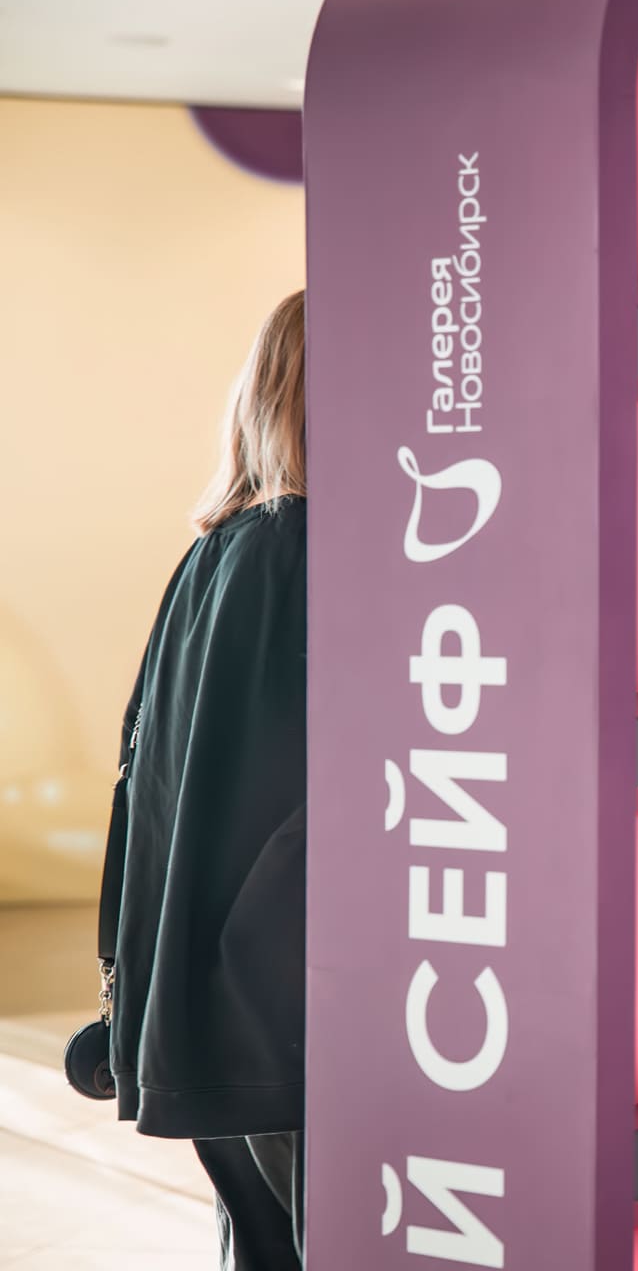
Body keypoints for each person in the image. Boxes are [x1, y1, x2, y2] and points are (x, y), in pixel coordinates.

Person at [98, 290, 309, 1269]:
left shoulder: (215, 552)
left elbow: (142, 788)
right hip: (277, 1008)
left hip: (201, 998)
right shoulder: (299, 553)